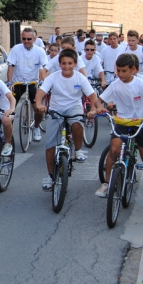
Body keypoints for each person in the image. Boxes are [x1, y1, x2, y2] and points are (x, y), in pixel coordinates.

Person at [90, 53, 143, 194]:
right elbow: (99, 101)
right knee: (113, 151)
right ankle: (106, 183)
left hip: (140, 123)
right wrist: (99, 107)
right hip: (122, 122)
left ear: (134, 70)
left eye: (124, 71)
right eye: (118, 70)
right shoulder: (115, 85)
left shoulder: (142, 85)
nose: (120, 74)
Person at [36, 48, 97, 191]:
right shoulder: (53, 77)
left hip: (74, 108)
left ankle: (78, 150)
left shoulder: (80, 78)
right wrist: (39, 104)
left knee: (77, 125)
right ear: (60, 64)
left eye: (70, 63)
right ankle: (50, 176)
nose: (67, 66)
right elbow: (41, 92)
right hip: (56, 110)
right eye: (63, 63)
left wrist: (93, 108)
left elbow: (92, 94)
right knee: (50, 144)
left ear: (75, 64)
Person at [7, 27, 48, 142]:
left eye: (29, 39)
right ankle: (9, 132)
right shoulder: (16, 49)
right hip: (18, 82)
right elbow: (11, 66)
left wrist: (44, 82)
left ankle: (36, 127)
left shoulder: (40, 51)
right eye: (24, 38)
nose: (26, 41)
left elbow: (44, 68)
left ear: (34, 38)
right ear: (21, 37)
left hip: (33, 82)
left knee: (39, 110)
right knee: (10, 109)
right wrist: (10, 83)